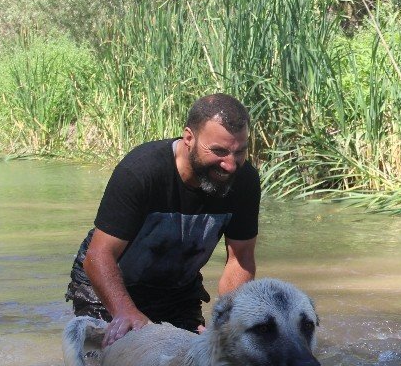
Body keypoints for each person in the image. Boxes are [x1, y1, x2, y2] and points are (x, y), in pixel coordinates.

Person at [65, 93, 260, 347]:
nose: (231, 165)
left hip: (176, 292)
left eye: (240, 152)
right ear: (189, 138)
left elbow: (240, 259)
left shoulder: (244, 181)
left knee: (195, 362)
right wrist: (126, 313)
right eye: (219, 151)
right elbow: (98, 257)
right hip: (107, 284)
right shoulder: (141, 171)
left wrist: (225, 323)